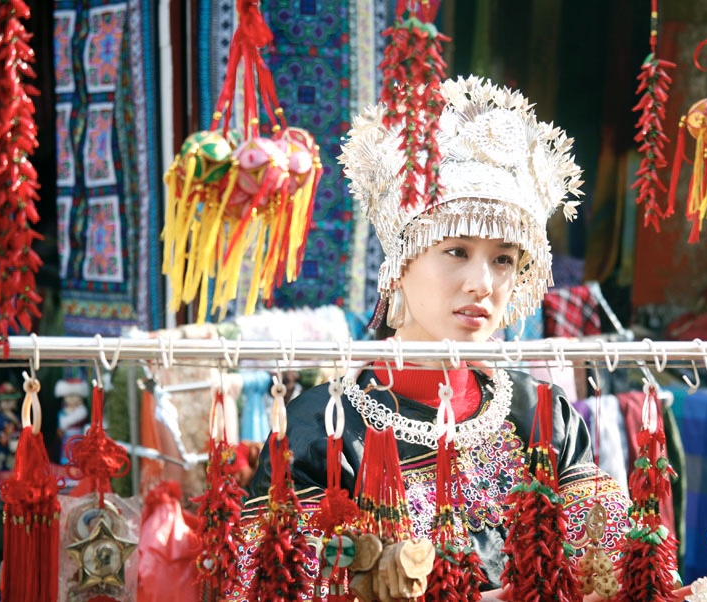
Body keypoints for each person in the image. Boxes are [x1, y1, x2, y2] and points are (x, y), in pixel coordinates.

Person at [230, 76, 629, 601]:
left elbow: (613, 570)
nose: (482, 283)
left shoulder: (544, 417)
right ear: (399, 264)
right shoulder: (319, 432)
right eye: (457, 251)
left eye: (503, 259)